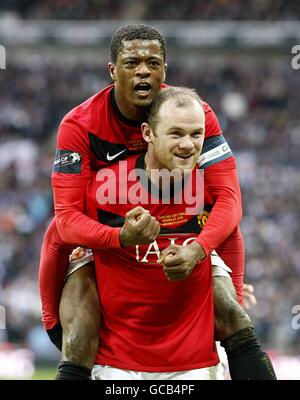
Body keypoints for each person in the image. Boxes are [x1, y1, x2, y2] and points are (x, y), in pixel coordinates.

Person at [38, 24, 276, 380]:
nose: (144, 70)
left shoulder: (194, 114)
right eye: (132, 62)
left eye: (153, 62)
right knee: (82, 317)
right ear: (112, 70)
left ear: (165, 69)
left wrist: (211, 261)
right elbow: (65, 221)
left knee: (231, 310)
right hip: (104, 235)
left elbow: (228, 201)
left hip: (181, 233)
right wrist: (117, 239)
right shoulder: (80, 124)